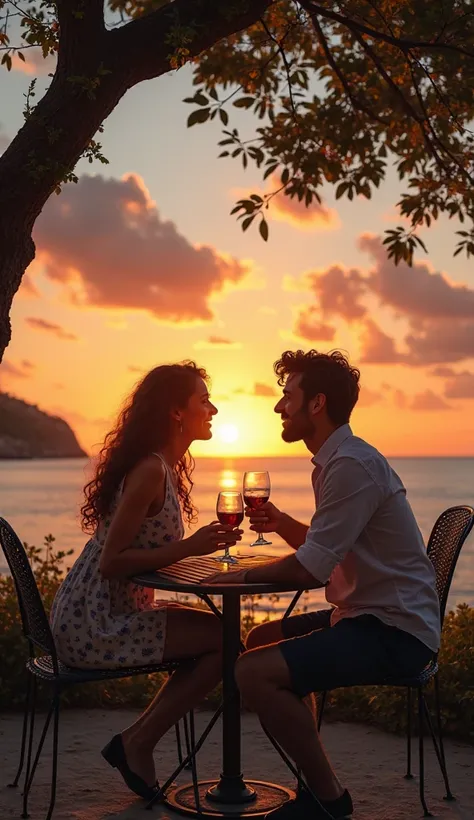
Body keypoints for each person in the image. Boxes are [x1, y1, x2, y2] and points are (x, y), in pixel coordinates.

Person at [206, 349, 440, 820]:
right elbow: (328, 546)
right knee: (259, 639)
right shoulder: (339, 460)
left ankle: (328, 799)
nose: (278, 407)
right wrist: (282, 524)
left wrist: (240, 575)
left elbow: (312, 568)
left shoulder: (351, 465)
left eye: (286, 396)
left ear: (316, 403)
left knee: (252, 671)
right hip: (363, 614)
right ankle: (314, 781)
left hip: (394, 631)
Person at [50, 361, 242, 800]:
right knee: (226, 640)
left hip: (113, 610)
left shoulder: (164, 466)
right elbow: (112, 562)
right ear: (177, 412)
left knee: (224, 635)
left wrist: (196, 558)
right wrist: (191, 548)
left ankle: (137, 740)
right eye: (203, 400)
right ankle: (137, 742)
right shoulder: (151, 471)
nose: (212, 409)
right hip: (93, 623)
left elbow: (143, 556)